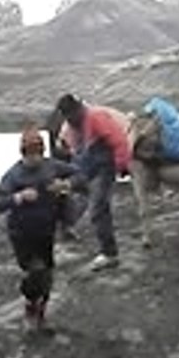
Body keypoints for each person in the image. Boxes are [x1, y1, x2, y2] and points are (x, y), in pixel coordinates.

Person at [0, 125, 86, 328]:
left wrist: (65, 184)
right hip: (21, 233)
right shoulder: (14, 175)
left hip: (46, 231)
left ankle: (40, 313)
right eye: (31, 154)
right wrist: (19, 197)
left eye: (39, 153)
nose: (36, 159)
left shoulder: (51, 166)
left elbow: (80, 174)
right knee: (36, 271)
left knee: (47, 273)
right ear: (23, 153)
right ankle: (30, 303)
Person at [56, 94, 131, 271]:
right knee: (68, 194)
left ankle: (110, 254)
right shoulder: (70, 126)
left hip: (104, 168)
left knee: (98, 207)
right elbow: (71, 149)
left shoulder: (96, 117)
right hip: (84, 166)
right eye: (66, 116)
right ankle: (66, 228)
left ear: (77, 109)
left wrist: (122, 165)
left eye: (71, 114)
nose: (70, 119)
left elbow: (118, 140)